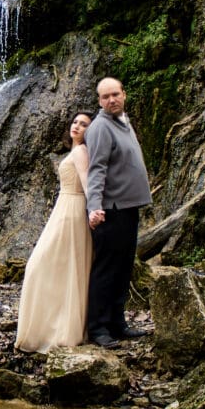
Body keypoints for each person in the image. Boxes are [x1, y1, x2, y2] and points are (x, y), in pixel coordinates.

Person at [15, 111, 94, 353]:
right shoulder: (75, 150)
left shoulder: (81, 152)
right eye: (75, 122)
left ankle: (59, 330)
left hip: (73, 210)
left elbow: (89, 183)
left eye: (84, 125)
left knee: (41, 265)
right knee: (60, 267)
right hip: (64, 207)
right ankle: (53, 327)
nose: (77, 126)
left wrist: (95, 211)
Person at [85, 77, 152, 348]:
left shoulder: (123, 121)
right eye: (105, 97)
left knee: (123, 269)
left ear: (124, 94)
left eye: (115, 94)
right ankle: (98, 329)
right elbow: (96, 169)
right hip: (110, 211)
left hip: (128, 208)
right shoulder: (101, 127)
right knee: (107, 271)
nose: (111, 100)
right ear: (99, 101)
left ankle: (117, 323)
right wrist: (94, 207)